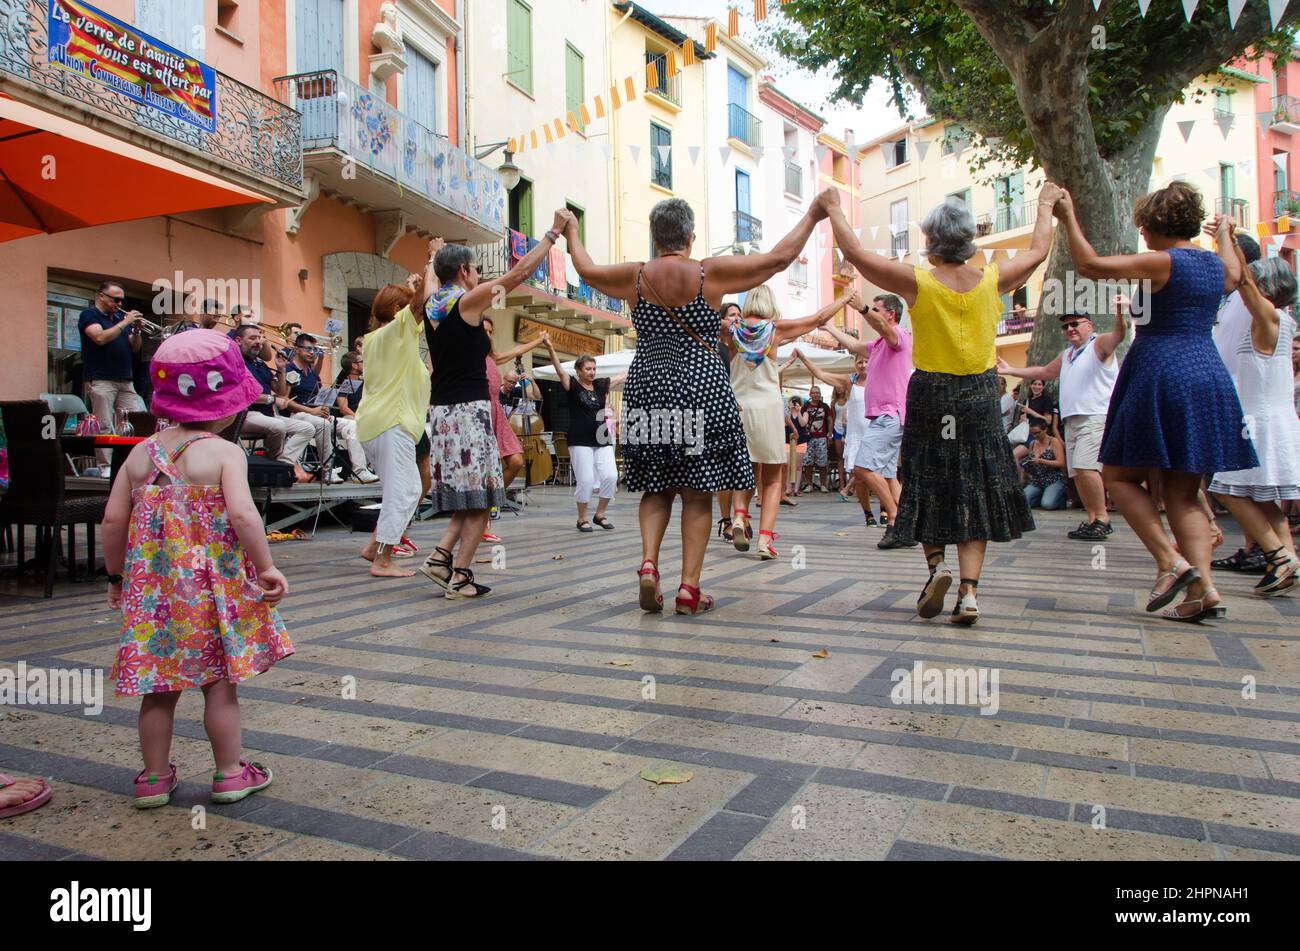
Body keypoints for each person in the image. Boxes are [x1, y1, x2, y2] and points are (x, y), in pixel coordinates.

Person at [564, 197, 826, 614]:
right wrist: (813, 213)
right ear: (689, 237)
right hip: (700, 385)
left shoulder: (635, 276)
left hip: (648, 382)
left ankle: (649, 563)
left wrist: (571, 231)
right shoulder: (710, 272)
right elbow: (778, 259)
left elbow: (586, 270)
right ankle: (689, 588)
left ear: (655, 238)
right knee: (697, 492)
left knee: (656, 486)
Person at [819, 183, 1062, 624]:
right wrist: (1044, 204)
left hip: (933, 393)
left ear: (931, 242)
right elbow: (1039, 249)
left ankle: (937, 568)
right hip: (981, 395)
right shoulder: (993, 278)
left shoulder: (919, 282)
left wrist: (834, 208)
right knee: (976, 483)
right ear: (969, 242)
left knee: (927, 479)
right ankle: (969, 593)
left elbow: (854, 253)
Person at [102, 329, 294, 808]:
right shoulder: (226, 453)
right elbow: (245, 516)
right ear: (227, 404)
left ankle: (152, 779)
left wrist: (115, 577)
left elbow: (112, 519)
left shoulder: (139, 454)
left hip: (154, 595)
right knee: (219, 686)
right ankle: (230, 773)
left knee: (158, 689)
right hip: (212, 592)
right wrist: (267, 567)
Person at [1056, 182, 1257, 622]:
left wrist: (1067, 216)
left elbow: (1089, 265)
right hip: (1205, 370)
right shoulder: (1214, 266)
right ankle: (1202, 589)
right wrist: (1223, 234)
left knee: (1118, 475)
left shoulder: (1163, 262)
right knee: (1184, 492)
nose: (1142, 235)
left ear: (1154, 226)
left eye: (1144, 227)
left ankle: (1170, 561)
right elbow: (1237, 274)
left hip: (1160, 370)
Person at [418, 228, 560, 599]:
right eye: (476, 270)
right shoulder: (466, 303)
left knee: (467, 494)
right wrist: (551, 235)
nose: (480, 275)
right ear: (464, 271)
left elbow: (432, 278)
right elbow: (516, 276)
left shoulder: (432, 303)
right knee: (483, 496)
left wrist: (434, 255)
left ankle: (439, 558)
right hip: (469, 411)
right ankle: (461, 575)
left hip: (444, 413)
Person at [725, 284, 851, 558]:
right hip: (768, 408)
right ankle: (764, 540)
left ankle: (738, 516)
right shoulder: (775, 330)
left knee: (744, 469)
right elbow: (818, 319)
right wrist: (846, 298)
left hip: (738, 407)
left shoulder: (730, 329)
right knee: (772, 478)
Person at [1207, 249, 1300, 595]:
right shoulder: (1277, 321)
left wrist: (1225, 238)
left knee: (1223, 487)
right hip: (1268, 418)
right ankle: (1288, 559)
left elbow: (1242, 280)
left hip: (1260, 421)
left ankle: (1278, 555)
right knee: (1264, 498)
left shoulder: (1269, 317)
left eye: (1256, 284)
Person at [998, 303, 1126, 540]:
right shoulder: (1067, 354)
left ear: (1089, 325)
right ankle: (1092, 519)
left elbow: (1119, 335)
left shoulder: (1098, 344)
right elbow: (1045, 371)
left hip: (1094, 416)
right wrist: (1012, 370)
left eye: (1075, 324)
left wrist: (1119, 313)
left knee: (1087, 468)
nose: (1069, 329)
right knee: (1078, 471)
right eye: (1066, 326)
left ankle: (1102, 518)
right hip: (1072, 420)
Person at [357, 245, 439, 578]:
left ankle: (373, 546)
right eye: (406, 308)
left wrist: (410, 285)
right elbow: (420, 305)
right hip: (392, 424)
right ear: (396, 310)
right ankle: (383, 560)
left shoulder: (380, 337)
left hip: (380, 424)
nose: (417, 318)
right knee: (407, 491)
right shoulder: (395, 331)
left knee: (403, 488)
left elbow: (413, 304)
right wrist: (432, 258)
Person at [819, 292, 916, 548]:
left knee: (862, 468)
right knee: (887, 476)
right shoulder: (879, 345)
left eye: (876, 309)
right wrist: (828, 326)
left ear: (890, 314)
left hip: (890, 414)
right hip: (885, 417)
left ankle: (895, 519)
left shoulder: (899, 337)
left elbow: (882, 326)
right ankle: (907, 526)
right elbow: (852, 346)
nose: (871, 313)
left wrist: (861, 307)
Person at [545, 345, 626, 532]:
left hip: (602, 437)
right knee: (586, 480)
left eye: (594, 369)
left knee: (611, 476)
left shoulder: (600, 385)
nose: (592, 372)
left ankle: (600, 514)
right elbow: (558, 369)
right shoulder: (572, 385)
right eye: (588, 369)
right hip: (579, 439)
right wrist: (550, 348)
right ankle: (582, 518)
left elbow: (622, 376)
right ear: (579, 371)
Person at [286, 333, 376, 483]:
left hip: (316, 415)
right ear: (297, 349)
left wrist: (323, 408)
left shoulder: (312, 374)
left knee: (353, 425)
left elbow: (318, 398)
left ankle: (359, 471)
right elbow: (285, 400)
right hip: (297, 416)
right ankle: (328, 471)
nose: (312, 352)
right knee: (325, 424)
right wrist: (312, 411)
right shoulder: (289, 369)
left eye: (313, 349)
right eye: (308, 349)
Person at [233, 324, 314, 483]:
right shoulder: (236, 362)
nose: (258, 342)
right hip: (245, 414)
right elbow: (244, 394)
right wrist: (271, 399)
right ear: (238, 340)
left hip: (268, 414)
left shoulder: (260, 363)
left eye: (259, 338)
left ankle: (281, 466)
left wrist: (282, 369)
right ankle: (278, 467)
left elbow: (282, 392)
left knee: (307, 428)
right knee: (278, 426)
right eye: (252, 338)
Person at [80, 280, 144, 462]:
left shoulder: (117, 319)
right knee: (104, 424)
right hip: (101, 379)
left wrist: (137, 331)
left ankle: (130, 464)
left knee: (134, 422)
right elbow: (99, 337)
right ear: (101, 295)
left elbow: (135, 348)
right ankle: (105, 467)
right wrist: (125, 323)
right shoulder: (89, 315)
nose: (119, 304)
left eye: (121, 300)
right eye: (115, 300)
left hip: (125, 378)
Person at [716, 301, 743, 543]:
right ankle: (726, 519)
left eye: (739, 315)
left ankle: (739, 517)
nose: (737, 318)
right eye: (732, 315)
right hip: (719, 412)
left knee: (742, 469)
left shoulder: (742, 344)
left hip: (743, 410)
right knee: (725, 470)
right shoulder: (713, 346)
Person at [1020, 416, 1068, 510]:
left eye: (1037, 433)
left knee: (1048, 505)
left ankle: (1059, 498)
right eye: (1032, 433)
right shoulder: (1032, 443)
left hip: (1053, 479)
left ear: (1045, 429)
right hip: (1037, 481)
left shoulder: (1054, 441)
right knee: (1022, 502)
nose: (1035, 435)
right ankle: (1040, 497)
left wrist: (1041, 461)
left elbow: (1061, 463)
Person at [797, 385, 833, 492]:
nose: (815, 394)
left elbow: (830, 420)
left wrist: (829, 434)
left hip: (821, 437)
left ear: (820, 394)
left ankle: (823, 484)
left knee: (822, 462)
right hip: (808, 438)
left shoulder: (825, 406)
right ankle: (809, 484)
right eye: (813, 392)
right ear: (810, 394)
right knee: (808, 461)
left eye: (817, 392)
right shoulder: (805, 406)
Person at [334, 351, 365, 419]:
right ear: (354, 365)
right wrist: (359, 419)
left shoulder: (364, 381)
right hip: (353, 419)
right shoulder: (347, 385)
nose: (365, 363)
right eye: (362, 361)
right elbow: (343, 409)